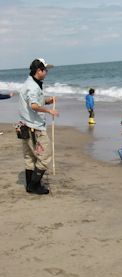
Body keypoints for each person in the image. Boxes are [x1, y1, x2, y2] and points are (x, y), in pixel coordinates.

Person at [18, 58, 59, 195]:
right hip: (34, 127)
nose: (47, 72)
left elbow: (36, 102)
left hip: (25, 125)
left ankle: (30, 185)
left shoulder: (30, 83)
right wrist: (49, 110)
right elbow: (33, 105)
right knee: (46, 155)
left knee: (30, 157)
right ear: (38, 70)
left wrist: (47, 101)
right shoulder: (33, 86)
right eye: (45, 70)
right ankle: (34, 185)